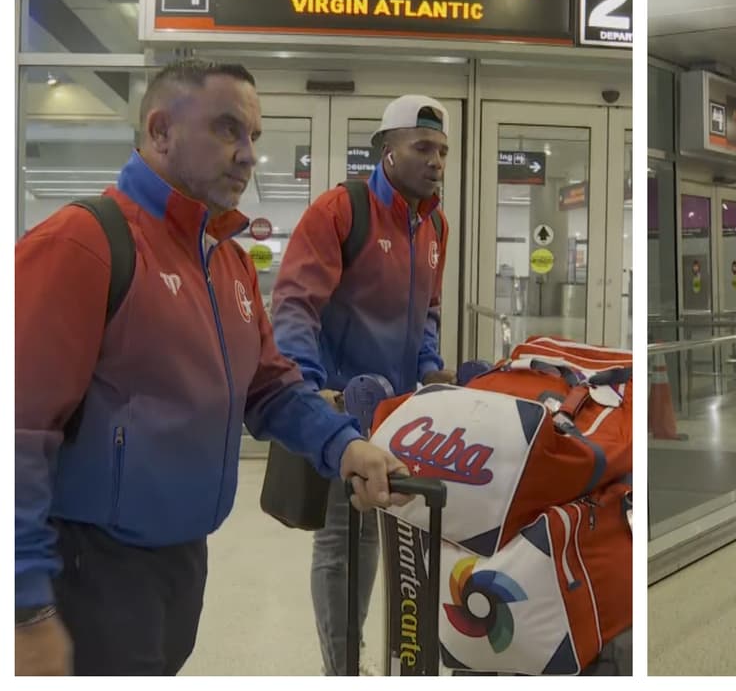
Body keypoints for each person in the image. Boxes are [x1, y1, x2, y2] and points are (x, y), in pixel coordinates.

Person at [15, 58, 412, 676]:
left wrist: (345, 446)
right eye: (227, 129)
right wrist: (25, 606)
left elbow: (270, 387)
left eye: (253, 135)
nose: (248, 154)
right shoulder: (81, 244)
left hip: (182, 561)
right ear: (160, 130)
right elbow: (18, 431)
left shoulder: (227, 262)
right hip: (88, 572)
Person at [270, 94, 454, 676]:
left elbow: (428, 312)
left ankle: (362, 658)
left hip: (398, 414)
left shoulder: (435, 225)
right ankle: (343, 669)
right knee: (342, 540)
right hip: (341, 409)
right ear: (387, 150)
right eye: (422, 147)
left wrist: (431, 368)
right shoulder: (340, 211)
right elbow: (295, 305)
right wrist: (308, 387)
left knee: (380, 533)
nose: (436, 161)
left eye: (443, 151)